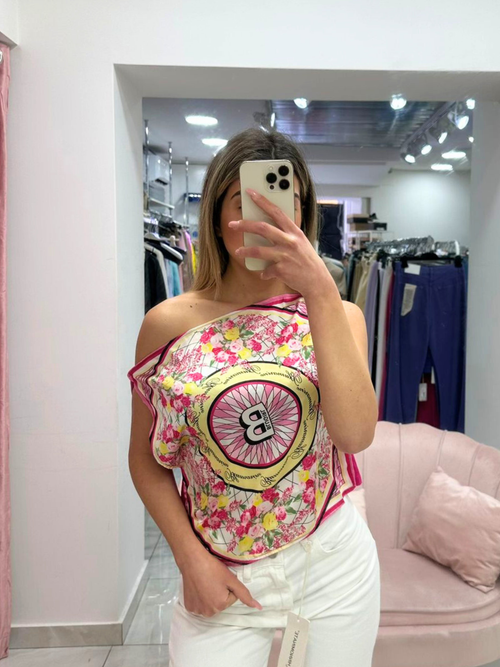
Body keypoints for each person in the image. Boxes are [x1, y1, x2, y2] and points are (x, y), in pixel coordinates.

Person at [127, 127, 381, 667]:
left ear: (303, 214)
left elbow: (355, 435)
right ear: (216, 215)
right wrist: (188, 559)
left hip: (333, 566)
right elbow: (146, 462)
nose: (264, 220)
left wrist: (320, 291)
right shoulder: (168, 324)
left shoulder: (340, 316)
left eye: (283, 203)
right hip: (221, 573)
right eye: (244, 204)